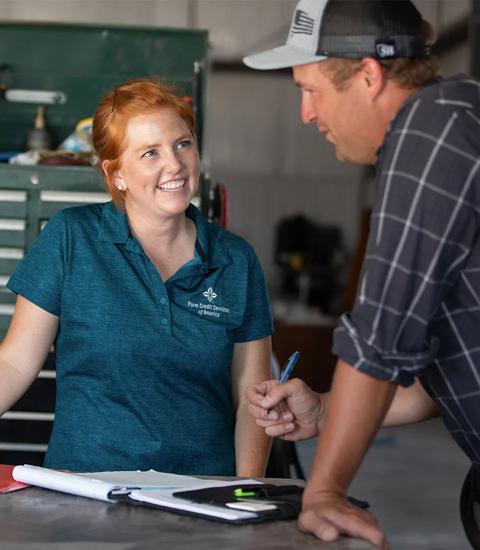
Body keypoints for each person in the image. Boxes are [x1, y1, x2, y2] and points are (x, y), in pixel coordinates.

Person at [243, 0, 480, 547]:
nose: (306, 113)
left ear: (369, 76)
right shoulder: (456, 115)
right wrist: (326, 409)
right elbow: (433, 372)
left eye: (310, 89)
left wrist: (323, 490)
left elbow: (378, 341)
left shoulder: (429, 131)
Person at [0, 78, 273, 477]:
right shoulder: (71, 238)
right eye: (150, 153)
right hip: (84, 492)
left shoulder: (236, 260)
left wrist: (247, 491)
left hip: (200, 492)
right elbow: (14, 363)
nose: (175, 165)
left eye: (183, 144)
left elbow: (253, 395)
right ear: (117, 174)